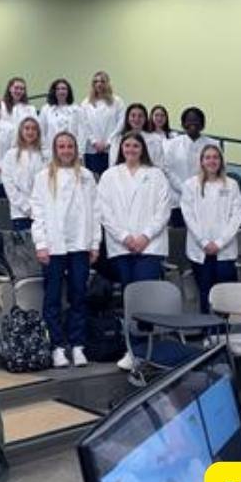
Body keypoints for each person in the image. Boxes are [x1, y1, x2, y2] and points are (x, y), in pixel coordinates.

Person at [98, 133, 172, 369]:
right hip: (122, 245)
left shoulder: (156, 174)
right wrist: (126, 238)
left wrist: (145, 236)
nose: (131, 149)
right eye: (127, 145)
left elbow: (164, 210)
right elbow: (104, 211)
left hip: (150, 245)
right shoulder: (110, 176)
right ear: (121, 148)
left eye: (135, 145)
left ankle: (148, 349)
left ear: (143, 149)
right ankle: (133, 350)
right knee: (131, 299)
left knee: (145, 298)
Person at [31, 132, 99, 368]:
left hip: (80, 244)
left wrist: (95, 243)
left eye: (70, 146)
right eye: (62, 146)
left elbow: (95, 211)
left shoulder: (87, 177)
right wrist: (41, 244)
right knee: (52, 299)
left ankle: (77, 345)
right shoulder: (42, 177)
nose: (66, 150)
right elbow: (37, 212)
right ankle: (57, 346)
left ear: (76, 149)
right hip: (54, 246)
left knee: (78, 296)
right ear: (55, 149)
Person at [180, 145, 241, 314]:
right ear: (201, 161)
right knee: (205, 293)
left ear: (221, 161)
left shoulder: (232, 185)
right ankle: (208, 334)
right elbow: (189, 216)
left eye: (215, 157)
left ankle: (224, 334)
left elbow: (236, 216)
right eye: (207, 157)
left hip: (225, 250)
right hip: (200, 250)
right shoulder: (190, 185)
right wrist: (204, 242)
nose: (212, 161)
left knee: (224, 295)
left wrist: (220, 243)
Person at [0, 117, 46, 231]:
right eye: (27, 128)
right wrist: (27, 208)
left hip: (43, 212)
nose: (30, 132)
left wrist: (39, 208)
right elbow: (9, 185)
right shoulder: (10, 155)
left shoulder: (46, 155)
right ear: (21, 131)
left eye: (34, 129)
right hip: (20, 213)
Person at [80, 71, 124, 175]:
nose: (99, 84)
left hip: (111, 147)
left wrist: (108, 142)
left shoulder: (117, 102)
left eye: (102, 81)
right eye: (96, 81)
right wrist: (94, 142)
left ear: (107, 83)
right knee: (93, 178)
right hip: (92, 148)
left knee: (111, 177)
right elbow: (84, 124)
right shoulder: (86, 103)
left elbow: (121, 123)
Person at [38, 78, 82, 149]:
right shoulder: (46, 110)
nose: (61, 91)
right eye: (58, 89)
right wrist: (44, 150)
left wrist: (79, 151)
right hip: (51, 150)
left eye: (64, 89)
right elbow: (41, 132)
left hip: (71, 150)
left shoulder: (76, 109)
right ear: (54, 92)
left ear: (68, 91)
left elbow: (81, 133)